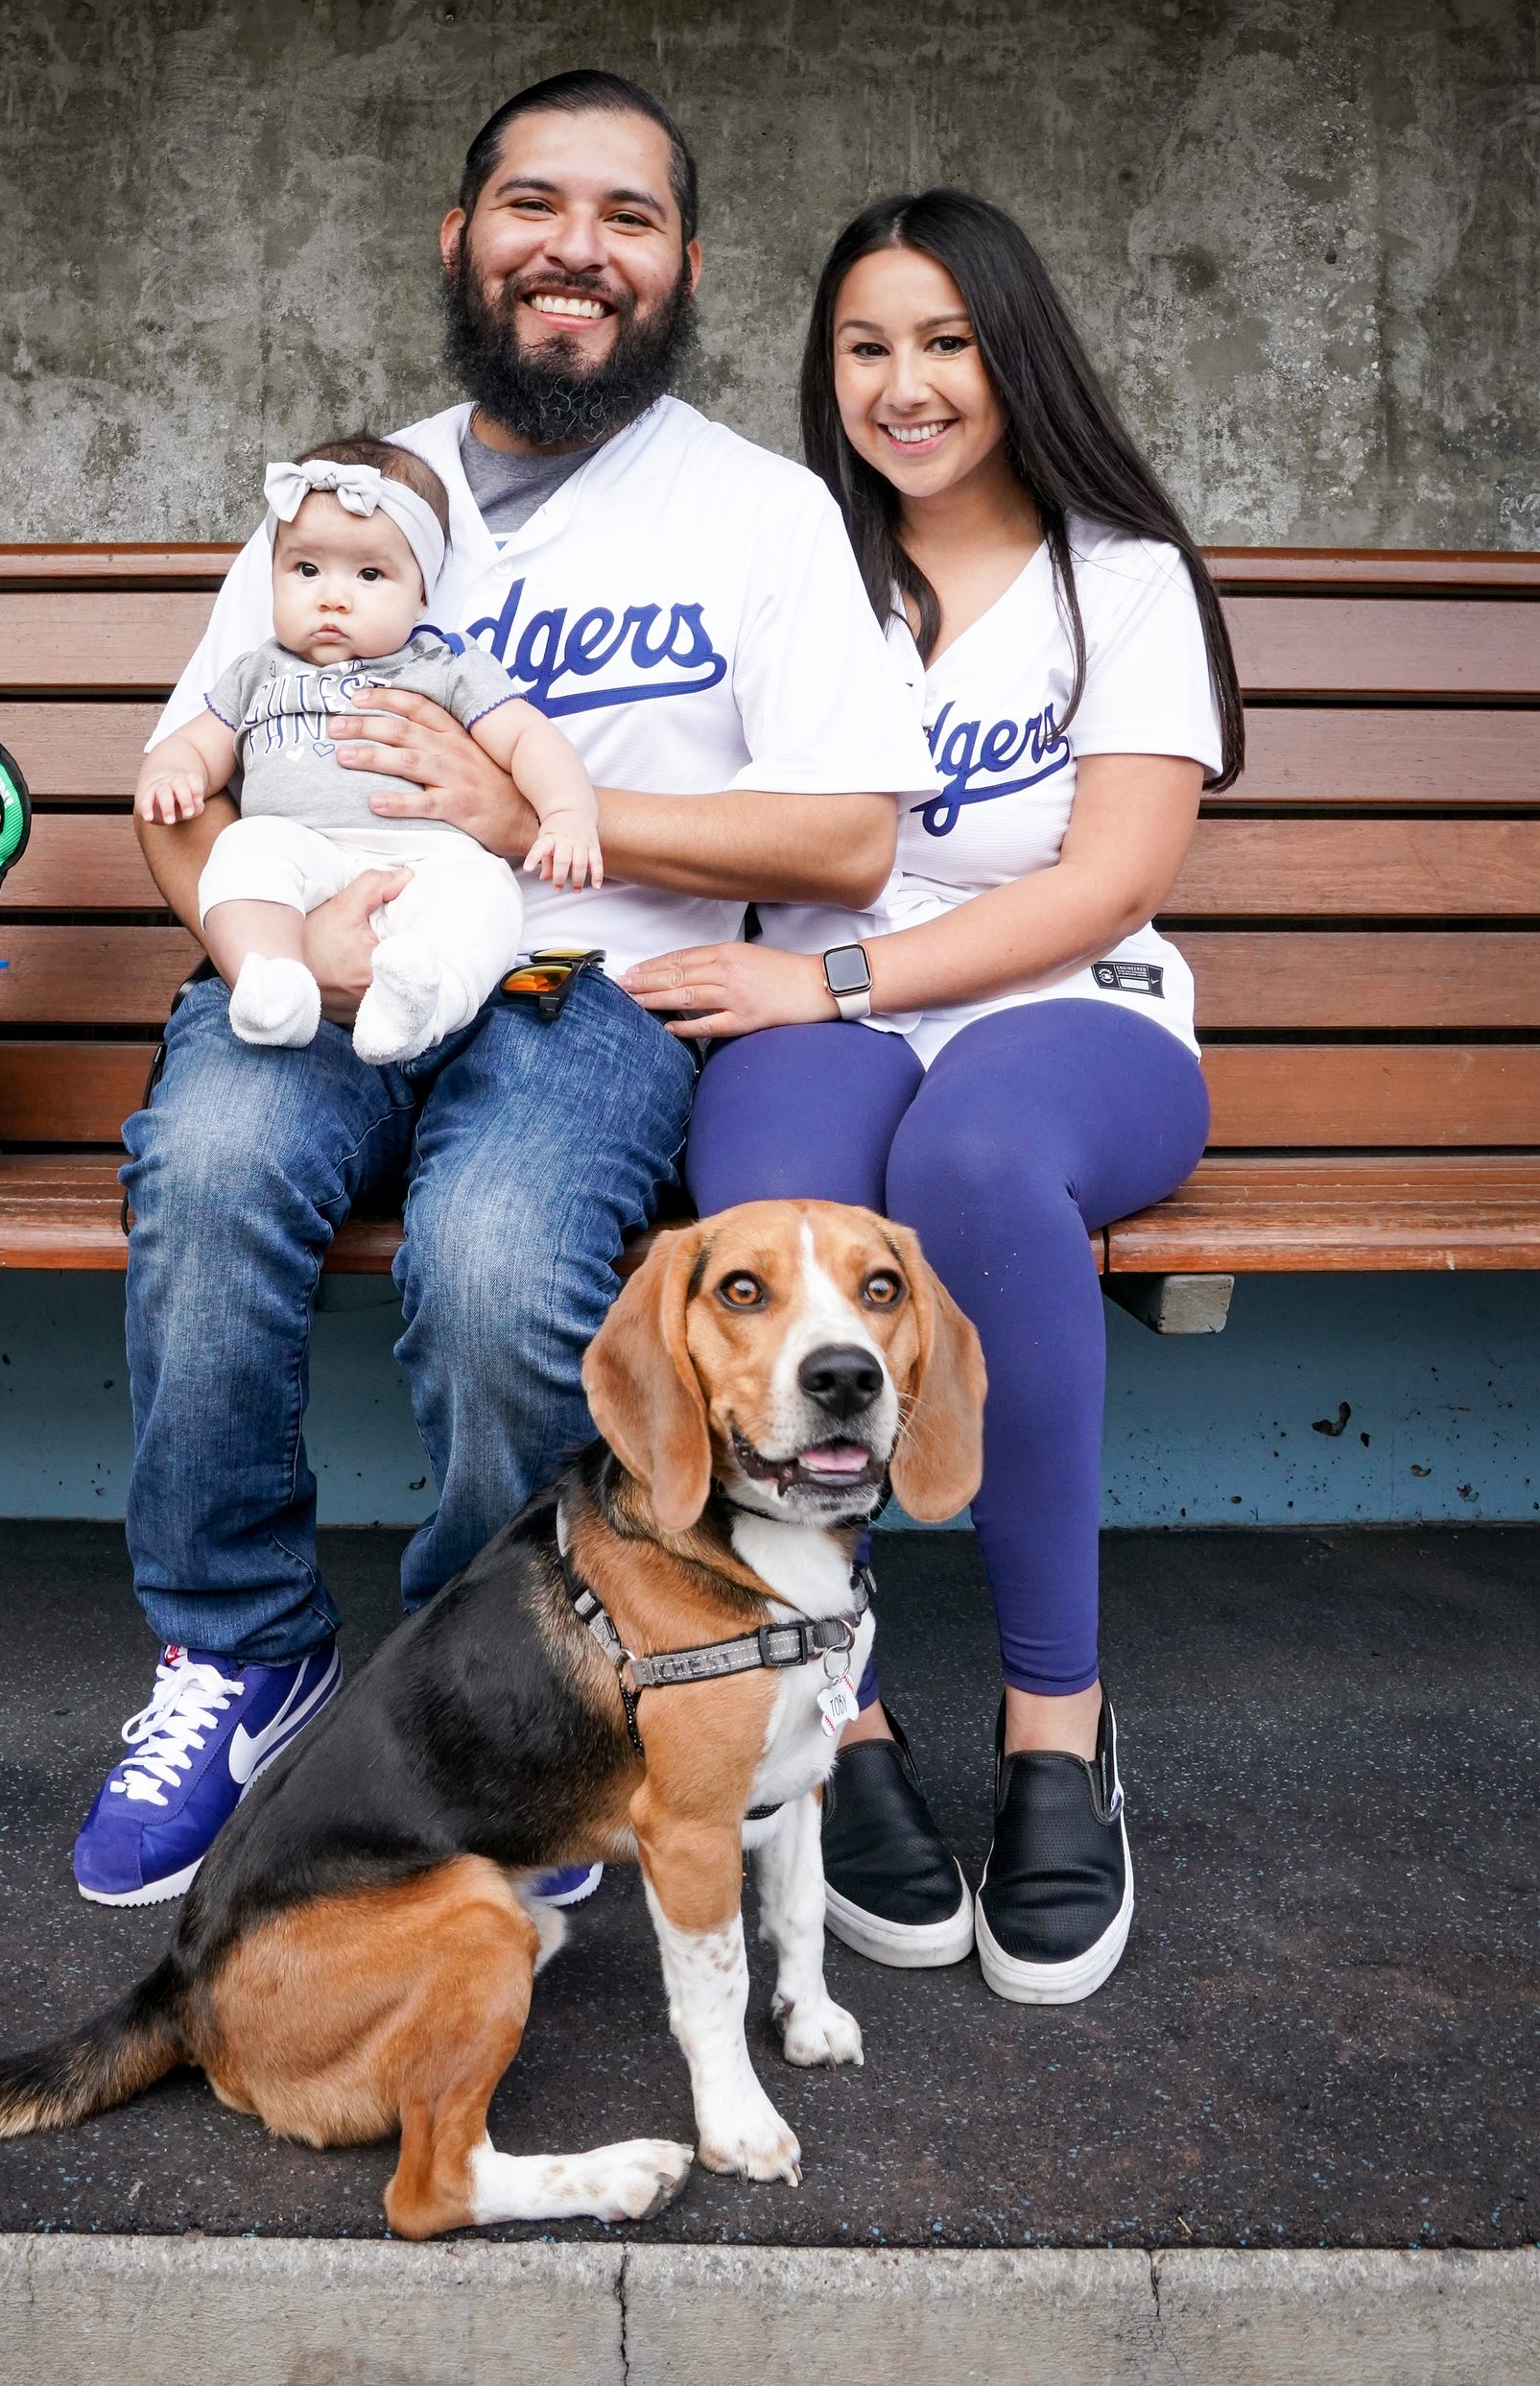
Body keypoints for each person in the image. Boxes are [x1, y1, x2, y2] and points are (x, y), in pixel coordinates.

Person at [72, 74, 925, 1909]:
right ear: (461, 240)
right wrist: (259, 947)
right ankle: (239, 1649)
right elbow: (185, 790)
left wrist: (556, 812)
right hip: (313, 961)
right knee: (209, 1162)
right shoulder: (342, 496)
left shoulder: (759, 512)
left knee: (498, 1267)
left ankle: (505, 1692)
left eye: (628, 218)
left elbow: (854, 837)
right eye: (536, 206)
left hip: (580, 994)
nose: (578, 251)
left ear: (686, 264)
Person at [625, 189, 1244, 2005]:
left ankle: (1059, 1730)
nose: (908, 385)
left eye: (949, 341)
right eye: (867, 346)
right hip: (830, 1012)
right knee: (773, 1192)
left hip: (1076, 1016)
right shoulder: (787, 561)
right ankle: (843, 1717)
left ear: (1016, 352)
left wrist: (820, 974)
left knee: (968, 1161)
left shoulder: (1118, 576)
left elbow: (1112, 878)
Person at [135, 435, 601, 1063]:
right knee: (241, 848)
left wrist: (568, 814)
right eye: (305, 570)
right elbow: (194, 746)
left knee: (486, 892)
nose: (332, 596)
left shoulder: (442, 665)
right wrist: (174, 773)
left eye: (370, 574)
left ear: (423, 593)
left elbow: (527, 737)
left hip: (427, 857)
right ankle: (273, 983)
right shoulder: (258, 672)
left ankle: (424, 1005)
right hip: (304, 853)